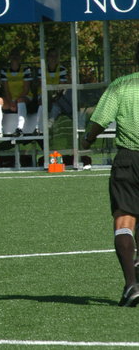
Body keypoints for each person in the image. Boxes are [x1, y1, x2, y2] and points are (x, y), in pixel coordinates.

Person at [81, 43, 139, 307]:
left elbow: (100, 120)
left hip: (128, 159)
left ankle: (131, 285)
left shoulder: (121, 85)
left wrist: (88, 139)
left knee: (124, 220)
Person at [0, 48, 32, 138]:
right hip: (10, 99)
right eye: (13, 55)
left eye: (17, 55)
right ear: (10, 57)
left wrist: (15, 101)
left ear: (20, 57)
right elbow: (5, 89)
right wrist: (11, 102)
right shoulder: (4, 71)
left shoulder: (26, 70)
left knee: (21, 100)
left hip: (24, 97)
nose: (15, 57)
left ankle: (19, 129)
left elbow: (26, 89)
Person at [34, 49, 70, 134]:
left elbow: (62, 86)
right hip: (44, 95)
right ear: (47, 57)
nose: (53, 58)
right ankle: (37, 127)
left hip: (57, 95)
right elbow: (40, 85)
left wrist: (56, 96)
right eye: (51, 56)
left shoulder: (62, 69)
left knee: (56, 105)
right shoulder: (42, 69)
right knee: (43, 102)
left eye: (55, 56)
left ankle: (49, 126)